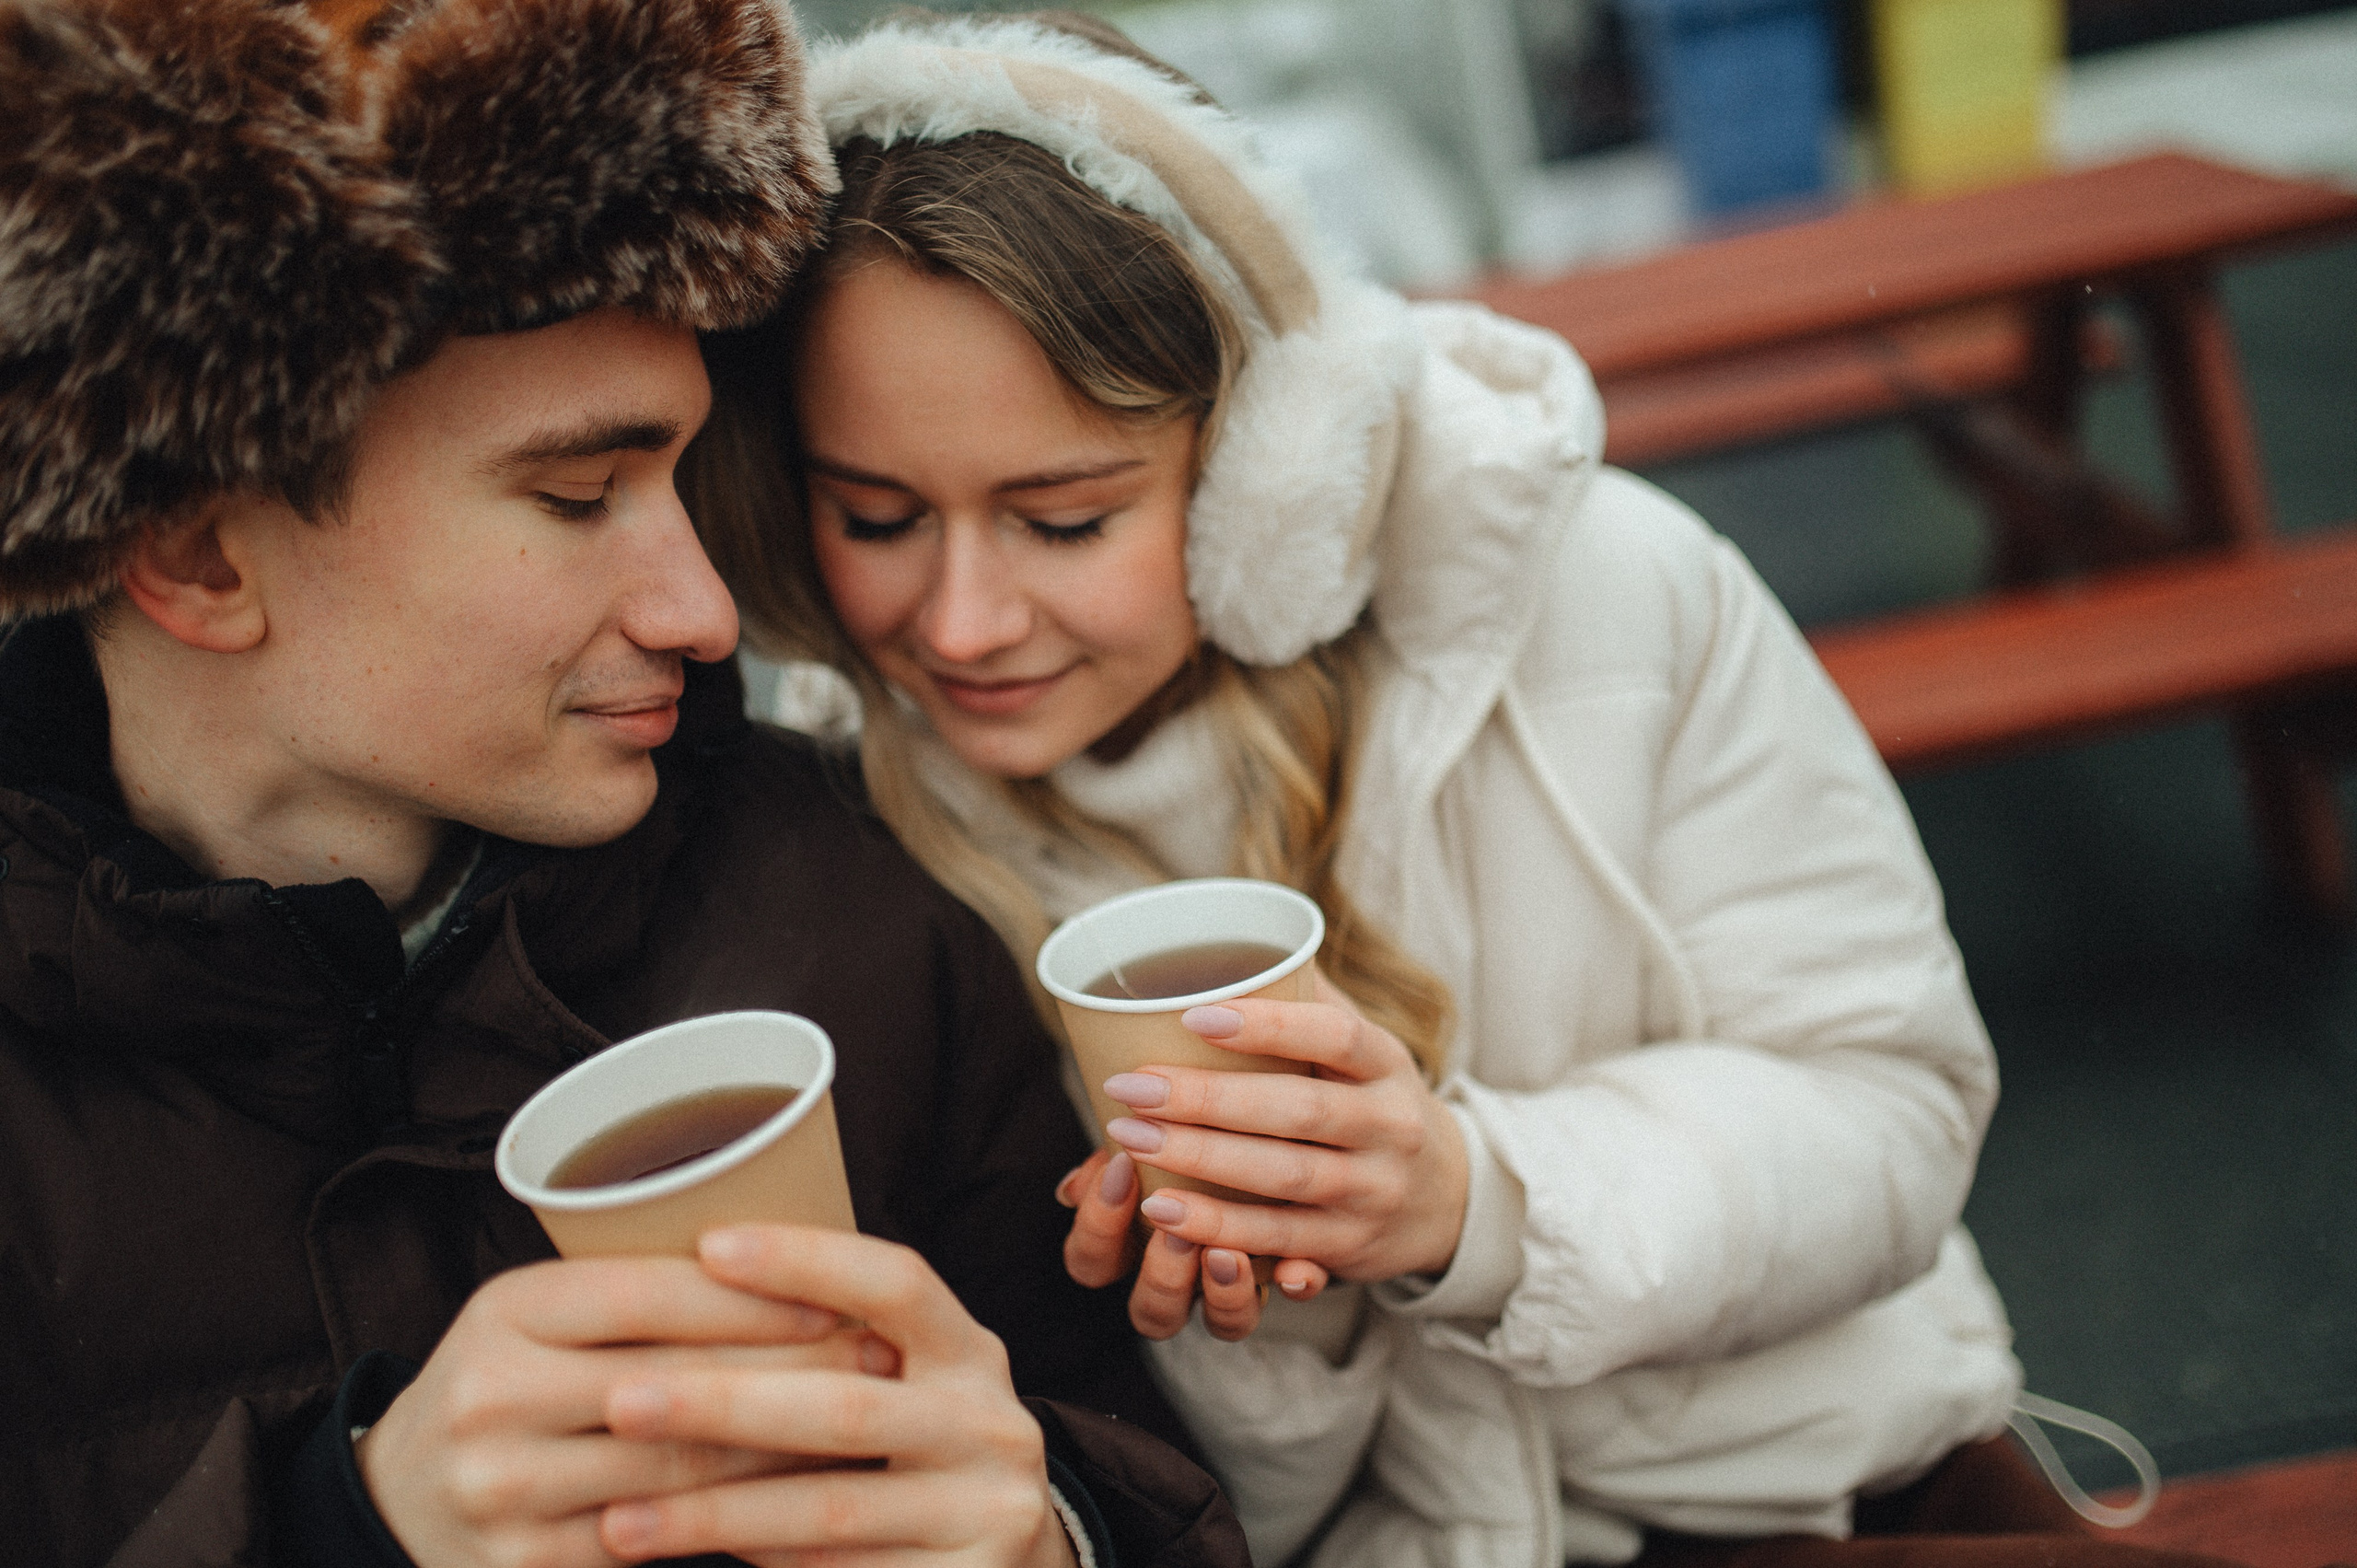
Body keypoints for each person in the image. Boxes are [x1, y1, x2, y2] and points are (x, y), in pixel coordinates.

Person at [686, 14, 2247, 1568]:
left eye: (1067, 519)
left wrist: (1469, 1199)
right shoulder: (852, 823)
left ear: (1259, 469)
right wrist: (1263, 1318)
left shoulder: (1610, 593)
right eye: (878, 517)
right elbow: (1187, 1507)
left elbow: (1893, 1112)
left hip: (1826, 1485)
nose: (958, 625)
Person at [0, 4, 1254, 1566]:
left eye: (682, 475)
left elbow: (1147, 1464)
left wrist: (1058, 1534)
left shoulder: (864, 901)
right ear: (194, 550)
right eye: (581, 495)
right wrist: (335, 1533)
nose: (707, 612)